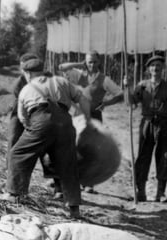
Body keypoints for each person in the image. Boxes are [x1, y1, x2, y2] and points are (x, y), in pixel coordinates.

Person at [0, 57, 91, 220]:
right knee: (68, 164)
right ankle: (74, 207)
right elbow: (82, 99)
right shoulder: (61, 81)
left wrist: (33, 132)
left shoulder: (26, 90)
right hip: (65, 123)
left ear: (27, 73)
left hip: (40, 121)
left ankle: (14, 194)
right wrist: (87, 120)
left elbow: (22, 117)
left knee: (18, 153)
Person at [58, 51, 124, 193]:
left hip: (94, 117)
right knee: (73, 147)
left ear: (99, 62)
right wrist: (78, 64)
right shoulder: (78, 75)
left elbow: (120, 94)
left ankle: (89, 183)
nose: (91, 64)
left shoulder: (104, 79)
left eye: (94, 61)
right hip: (77, 116)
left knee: (93, 149)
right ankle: (71, 179)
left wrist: (106, 103)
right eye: (89, 62)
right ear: (85, 62)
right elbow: (61, 67)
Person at [9, 53, 62, 199]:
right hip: (22, 115)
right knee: (15, 146)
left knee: (51, 151)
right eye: (23, 69)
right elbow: (20, 111)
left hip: (45, 115)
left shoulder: (50, 79)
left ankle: (59, 187)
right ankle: (15, 186)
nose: (25, 73)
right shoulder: (19, 83)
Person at [129, 54, 167, 202]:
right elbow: (132, 102)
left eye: (158, 65)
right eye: (152, 66)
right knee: (144, 156)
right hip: (146, 123)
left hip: (164, 124)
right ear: (148, 69)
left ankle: (161, 193)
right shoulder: (142, 85)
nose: (155, 68)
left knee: (164, 156)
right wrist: (127, 86)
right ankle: (141, 191)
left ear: (162, 68)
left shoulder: (166, 86)